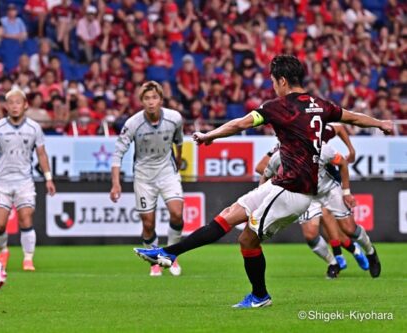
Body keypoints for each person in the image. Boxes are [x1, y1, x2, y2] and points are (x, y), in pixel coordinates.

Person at [134, 55, 392, 308]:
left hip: (293, 190)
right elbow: (353, 117)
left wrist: (211, 135)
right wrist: (381, 123)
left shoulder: (279, 107)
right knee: (228, 215)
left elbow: (241, 124)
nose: (273, 86)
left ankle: (260, 296)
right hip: (284, 183)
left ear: (281, 80)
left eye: (272, 81)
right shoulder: (320, 104)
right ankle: (169, 252)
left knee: (247, 240)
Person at [260, 130, 376, 279]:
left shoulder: (320, 134)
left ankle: (357, 252)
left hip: (328, 188)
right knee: (311, 234)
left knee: (345, 226)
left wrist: (351, 151)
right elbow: (261, 169)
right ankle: (336, 260)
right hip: (305, 192)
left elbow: (339, 128)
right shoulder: (279, 151)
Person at [110, 81, 185, 277]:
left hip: (167, 172)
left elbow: (179, 142)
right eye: (146, 98)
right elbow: (117, 154)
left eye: (154, 98)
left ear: (161, 99)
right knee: (148, 224)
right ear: (141, 101)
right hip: (143, 176)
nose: (151, 102)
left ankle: (171, 255)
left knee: (177, 214)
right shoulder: (133, 123)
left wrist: (177, 164)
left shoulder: (174, 118)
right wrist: (116, 183)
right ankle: (154, 261)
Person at [0, 88, 56, 271]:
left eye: (18, 102)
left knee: (26, 219)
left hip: (24, 182)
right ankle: (3, 251)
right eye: (11, 103)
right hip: (2, 183)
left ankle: (28, 258)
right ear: (6, 106)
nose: (14, 106)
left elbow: (42, 154)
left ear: (25, 105)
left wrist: (49, 179)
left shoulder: (34, 128)